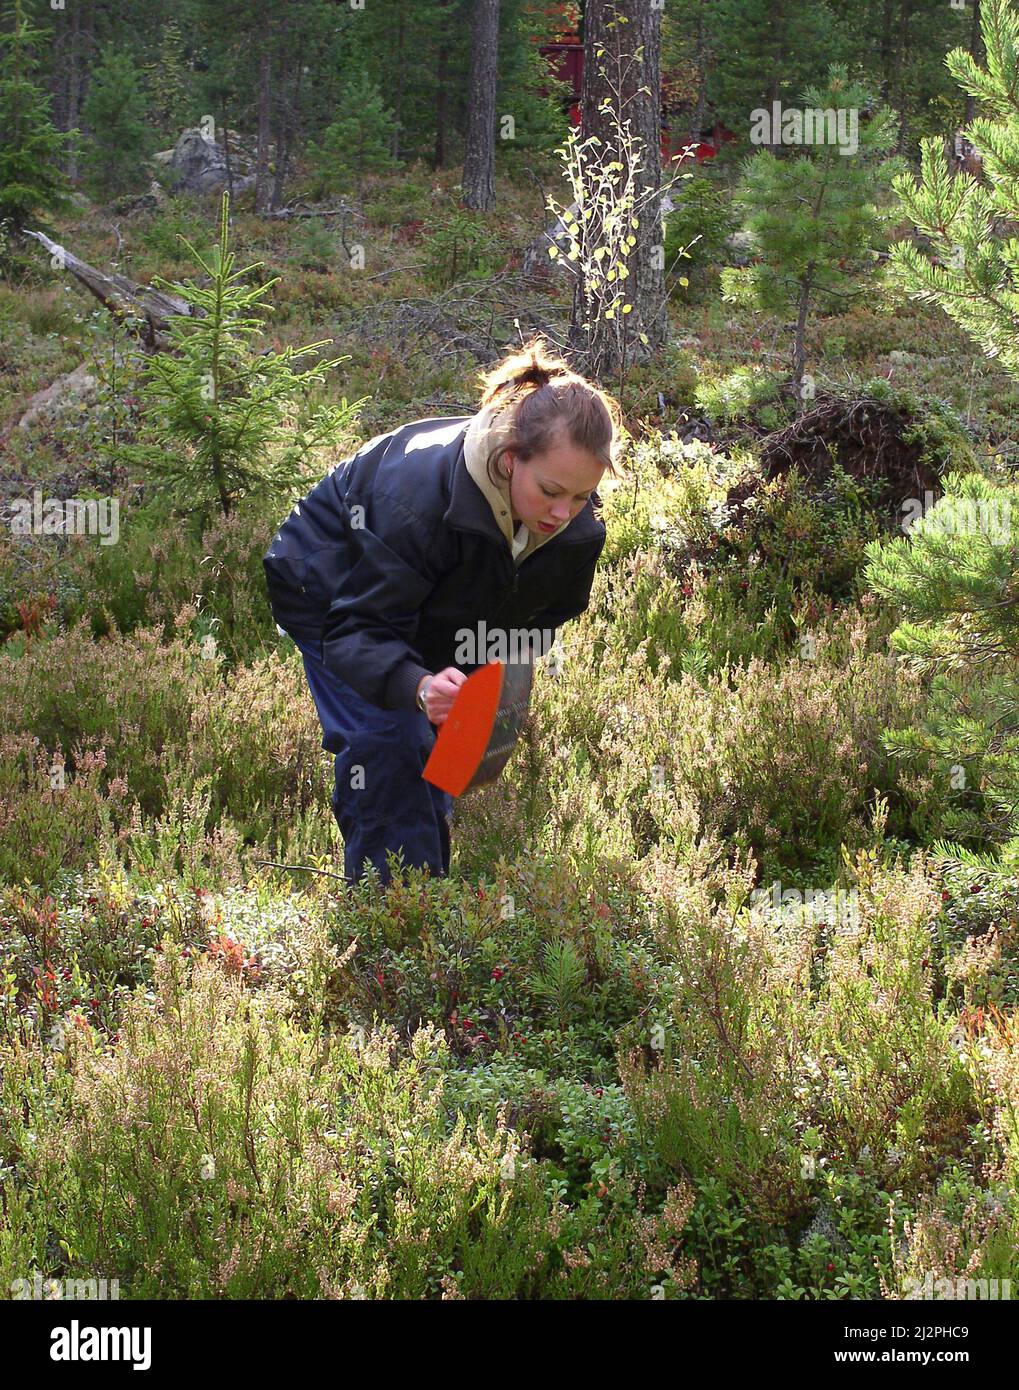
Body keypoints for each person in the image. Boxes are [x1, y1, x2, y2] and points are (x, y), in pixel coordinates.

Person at [263, 335, 624, 887]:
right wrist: (417, 683)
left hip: (431, 601)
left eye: (580, 496)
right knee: (391, 738)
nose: (564, 512)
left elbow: (544, 615)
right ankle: (399, 913)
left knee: (452, 738)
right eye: (552, 491)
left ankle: (427, 838)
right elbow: (358, 630)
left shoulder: (576, 525)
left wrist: (483, 680)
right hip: (330, 589)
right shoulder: (416, 500)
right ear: (509, 461)